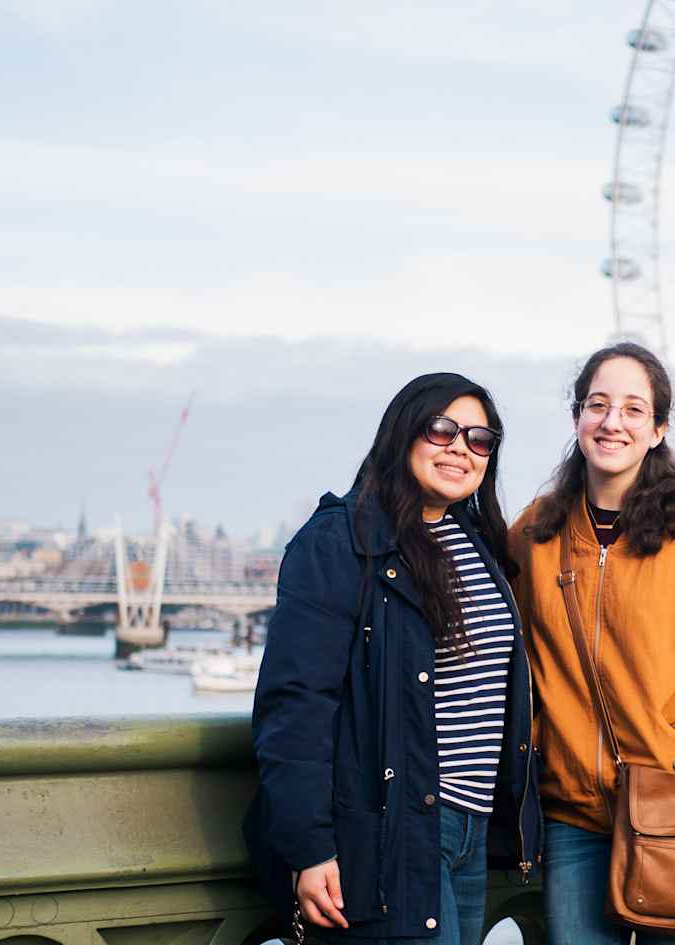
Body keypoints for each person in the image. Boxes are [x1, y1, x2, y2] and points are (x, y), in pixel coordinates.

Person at [243, 373, 541, 945]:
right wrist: (310, 848)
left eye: (480, 438)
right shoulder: (340, 540)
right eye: (442, 429)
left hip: (472, 835)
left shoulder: (478, 545)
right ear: (402, 432)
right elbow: (295, 705)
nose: (460, 447)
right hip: (394, 833)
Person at [509, 342, 675, 945]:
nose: (613, 422)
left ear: (657, 430)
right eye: (598, 404)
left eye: (633, 409)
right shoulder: (534, 532)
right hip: (571, 815)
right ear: (577, 418)